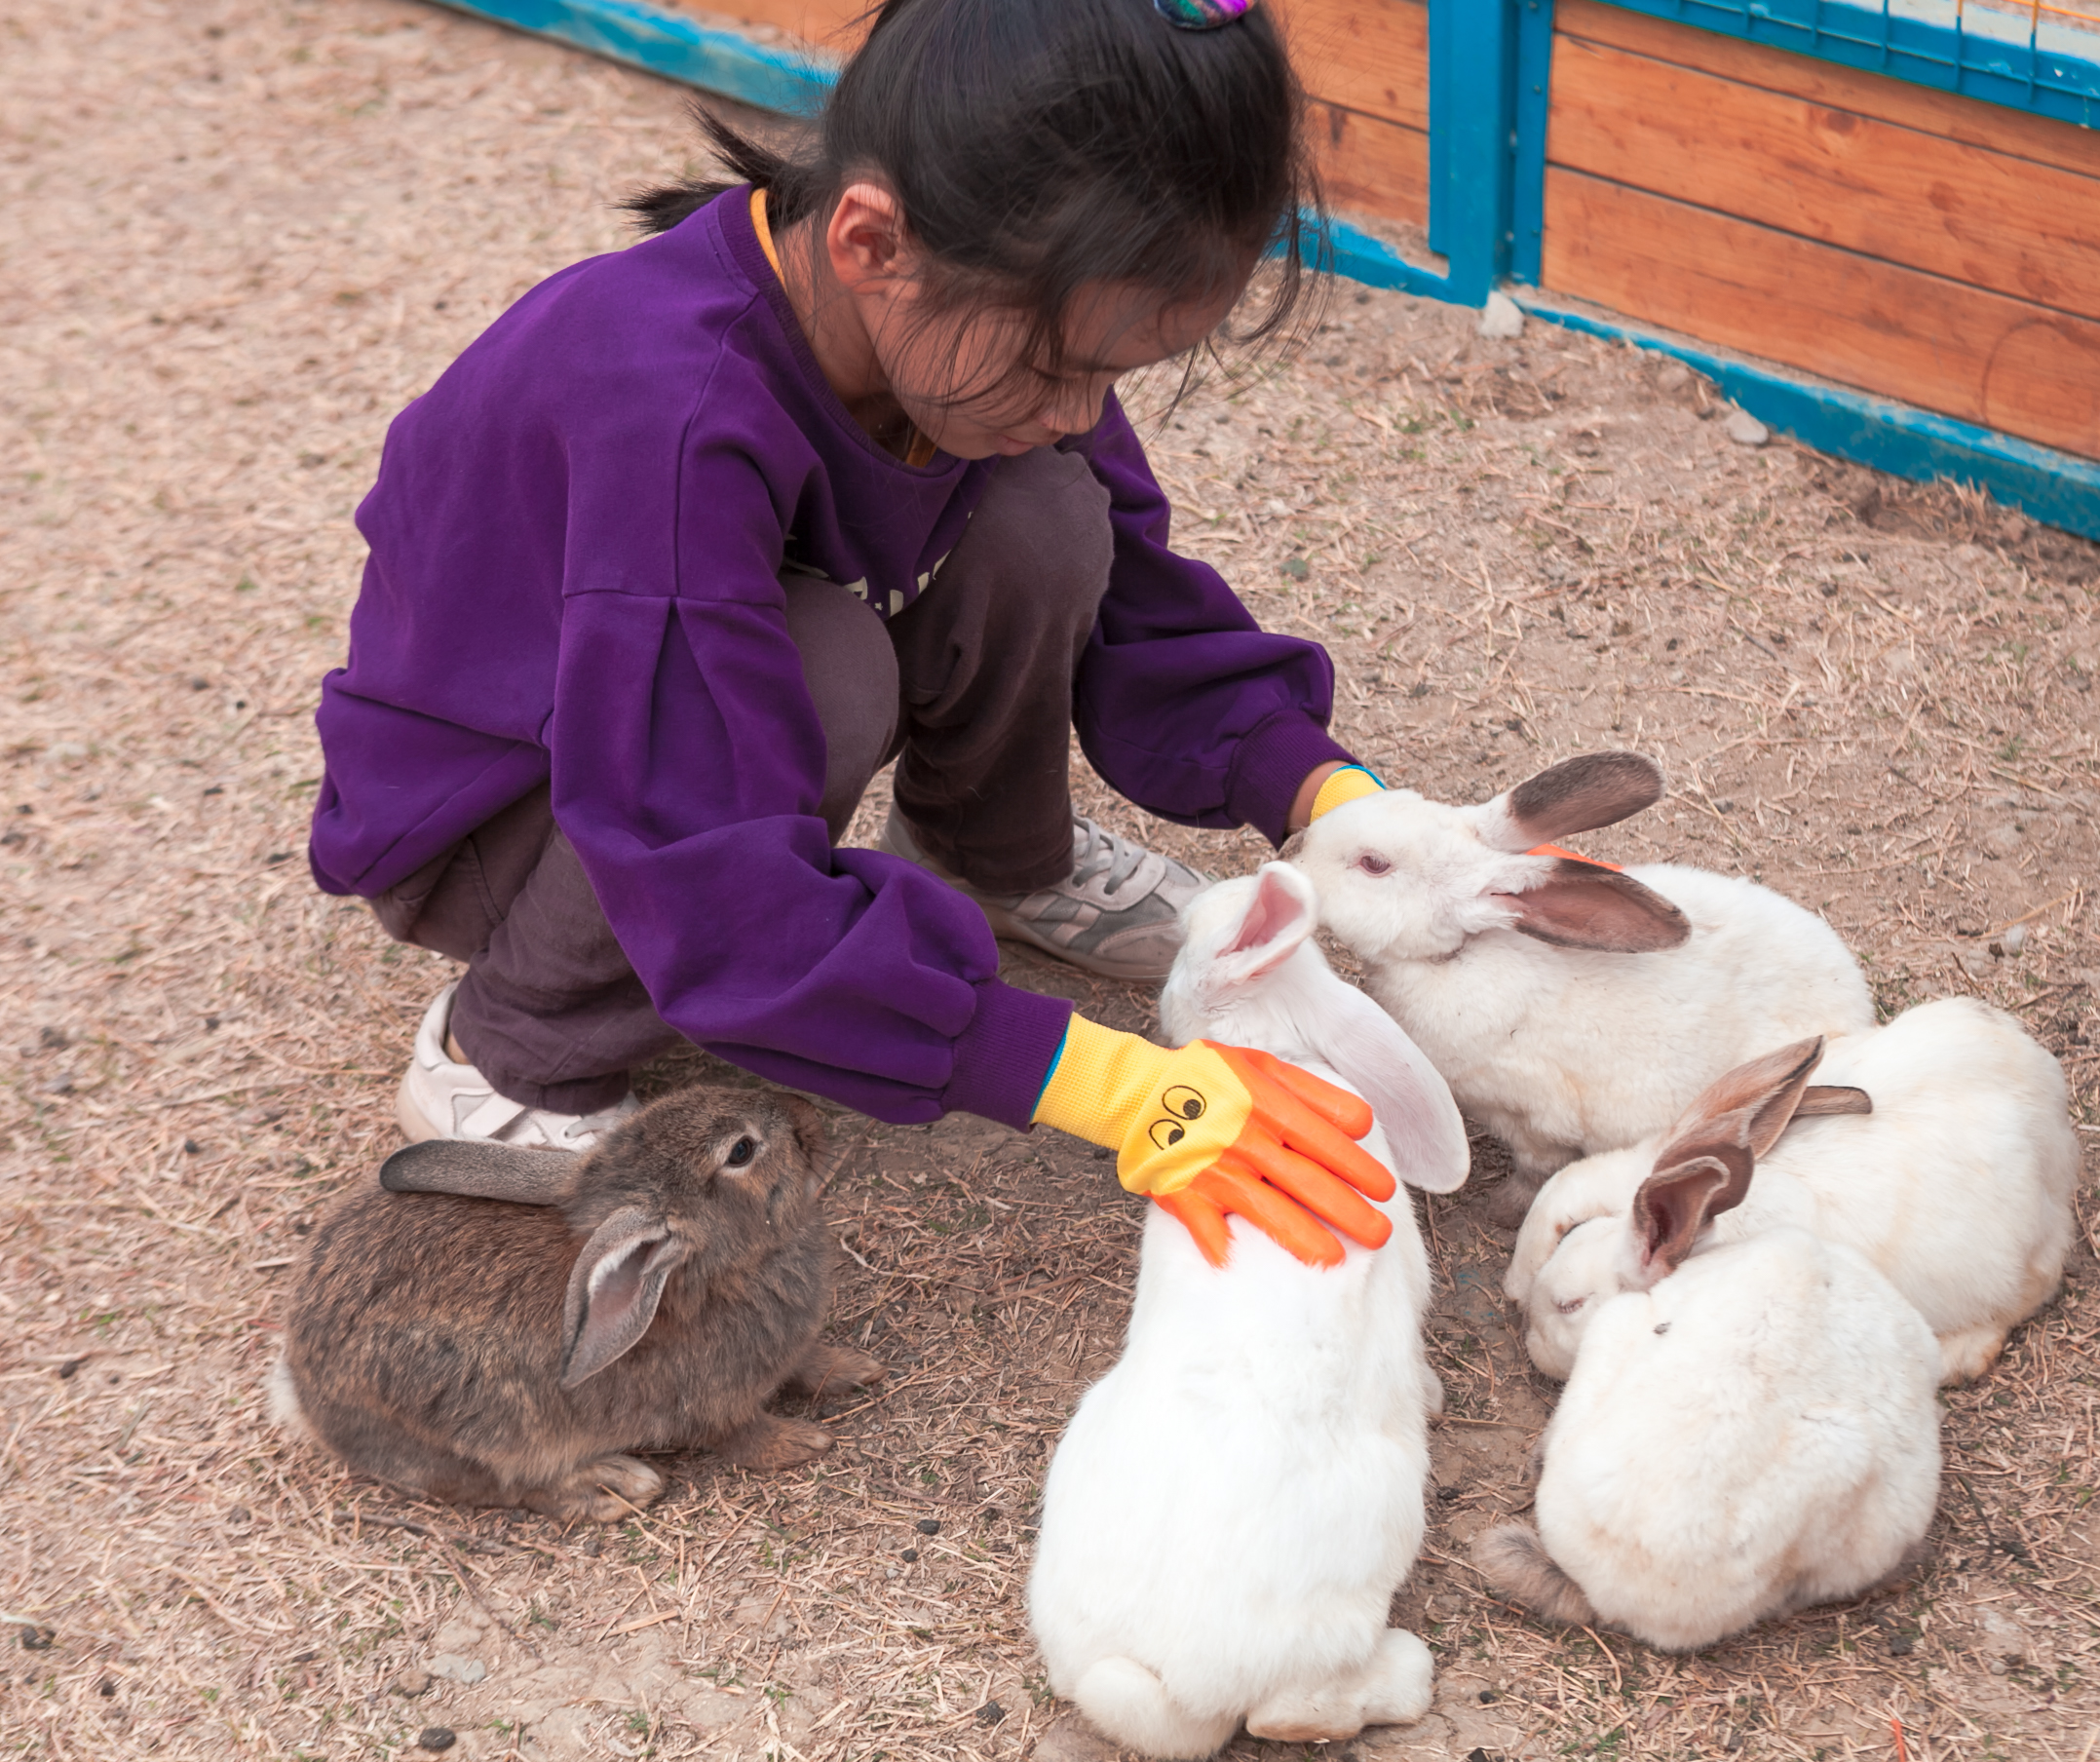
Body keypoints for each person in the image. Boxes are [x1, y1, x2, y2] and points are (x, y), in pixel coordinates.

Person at [307, 0, 1396, 1266]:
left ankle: (994, 859)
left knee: (1048, 504)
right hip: (509, 802)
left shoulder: (959, 327)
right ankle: (519, 1038)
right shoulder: (664, 411)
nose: (1082, 407)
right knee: (825, 673)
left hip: (688, 713)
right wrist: (1098, 1082)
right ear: (876, 240)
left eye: (1114, 376)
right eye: (1059, 367)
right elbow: (694, 841)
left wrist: (1334, 803)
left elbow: (1137, 595)